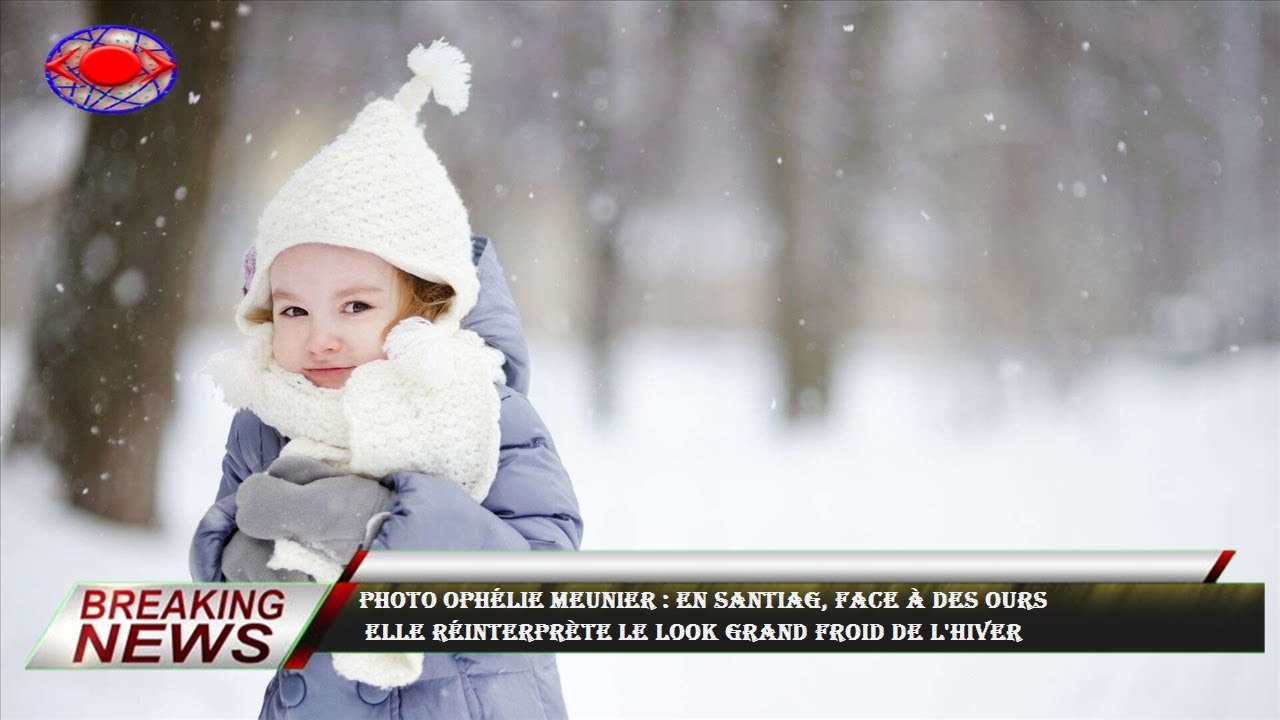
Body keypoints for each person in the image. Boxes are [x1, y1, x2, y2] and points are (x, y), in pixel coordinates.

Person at [188, 40, 582, 720]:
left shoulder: (482, 412)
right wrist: (245, 562)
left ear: (426, 306)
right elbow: (226, 582)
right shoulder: (267, 418)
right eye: (294, 310)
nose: (321, 336)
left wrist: (383, 524)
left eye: (356, 306)